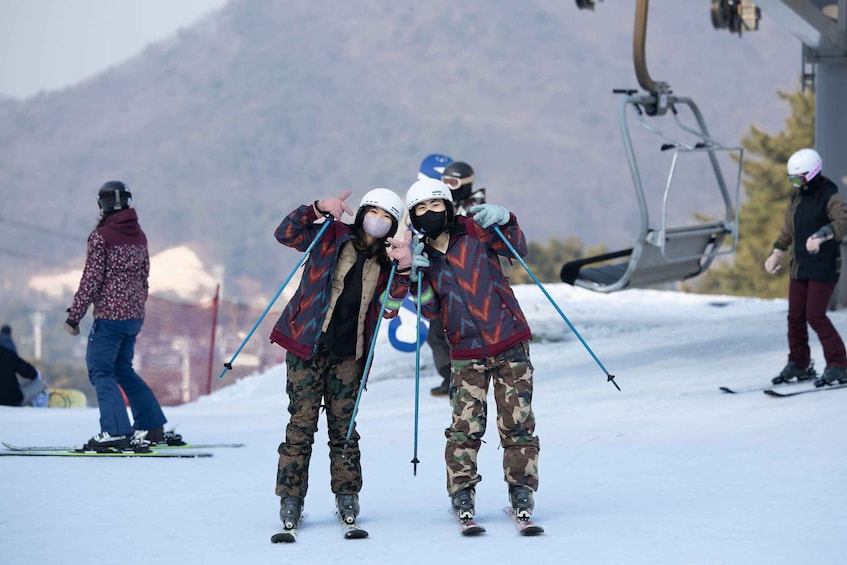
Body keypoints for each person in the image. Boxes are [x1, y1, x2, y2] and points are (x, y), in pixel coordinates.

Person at [391, 177, 540, 523]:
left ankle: (521, 489)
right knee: (465, 427)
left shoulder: (474, 232)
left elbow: (517, 248)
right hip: (465, 350)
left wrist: (506, 219)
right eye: (421, 210)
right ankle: (461, 491)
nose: (429, 213)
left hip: (508, 339)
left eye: (435, 205)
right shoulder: (422, 255)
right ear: (414, 217)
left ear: (446, 205)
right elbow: (429, 310)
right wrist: (415, 278)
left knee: (517, 423)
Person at [270, 187, 408, 532]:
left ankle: (347, 495)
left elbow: (391, 308)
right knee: (300, 426)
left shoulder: (389, 261)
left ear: (393, 226)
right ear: (361, 214)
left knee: (343, 431)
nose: (378, 221)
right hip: (308, 346)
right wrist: (316, 208)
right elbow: (285, 233)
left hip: (350, 354)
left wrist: (404, 270)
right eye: (373, 213)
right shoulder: (331, 235)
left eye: (386, 217)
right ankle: (291, 498)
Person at [64, 181, 182, 450]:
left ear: (101, 205)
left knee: (101, 370)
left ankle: (116, 431)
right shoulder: (138, 235)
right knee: (123, 370)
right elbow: (144, 277)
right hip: (133, 317)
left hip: (109, 318)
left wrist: (74, 317)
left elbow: (91, 279)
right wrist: (136, 307)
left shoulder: (101, 236)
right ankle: (152, 427)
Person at [764, 148, 847, 388]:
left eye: (800, 179)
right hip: (800, 265)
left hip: (824, 266)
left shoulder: (829, 194)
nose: (796, 184)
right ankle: (799, 363)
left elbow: (842, 221)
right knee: (795, 316)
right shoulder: (797, 198)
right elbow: (788, 228)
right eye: (792, 180)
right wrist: (777, 251)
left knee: (815, 315)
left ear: (813, 174)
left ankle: (839, 364)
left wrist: (822, 235)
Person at [419, 159, 489, 397]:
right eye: (445, 181)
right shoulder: (442, 204)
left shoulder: (476, 208)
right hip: (442, 279)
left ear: (466, 184)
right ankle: (450, 377)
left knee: (469, 329)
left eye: (454, 182)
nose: (449, 186)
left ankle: (478, 374)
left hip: (470, 280)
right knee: (437, 333)